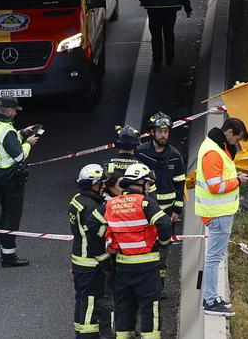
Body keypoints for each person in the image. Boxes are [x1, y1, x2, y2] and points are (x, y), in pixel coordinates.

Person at [87, 163, 172, 339]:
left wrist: (105, 250)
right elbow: (164, 224)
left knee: (124, 308)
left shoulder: (111, 204)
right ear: (140, 183)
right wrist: (162, 243)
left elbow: (91, 225)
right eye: (148, 184)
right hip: (147, 267)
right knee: (150, 309)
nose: (149, 188)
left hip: (123, 267)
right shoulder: (146, 202)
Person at [196, 118, 248, 316]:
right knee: (214, 258)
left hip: (218, 213)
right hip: (218, 214)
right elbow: (216, 186)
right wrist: (238, 181)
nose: (236, 143)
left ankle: (212, 298)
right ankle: (210, 301)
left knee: (214, 257)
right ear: (228, 132)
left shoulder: (215, 146)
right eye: (236, 139)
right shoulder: (213, 153)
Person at [0, 96, 39, 267]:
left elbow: (3, 145)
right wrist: (28, 143)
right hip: (12, 176)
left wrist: (21, 133)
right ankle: (9, 257)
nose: (15, 113)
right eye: (15, 110)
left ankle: (5, 252)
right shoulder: (6, 130)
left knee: (5, 213)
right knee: (12, 216)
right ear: (8, 110)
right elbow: (19, 156)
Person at [137, 111, 186, 299]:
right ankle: (143, 285)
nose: (164, 135)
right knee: (145, 247)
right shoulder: (141, 152)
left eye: (166, 131)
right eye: (160, 131)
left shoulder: (175, 156)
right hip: (145, 210)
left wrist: (177, 209)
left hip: (167, 212)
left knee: (163, 252)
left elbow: (180, 183)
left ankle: (160, 286)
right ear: (152, 133)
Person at [69, 164, 110, 339]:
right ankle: (87, 336)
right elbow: (95, 236)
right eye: (102, 183)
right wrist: (104, 259)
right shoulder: (92, 207)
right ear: (93, 184)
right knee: (91, 302)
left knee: (81, 300)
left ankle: (80, 333)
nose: (104, 186)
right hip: (91, 262)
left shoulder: (77, 200)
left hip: (79, 260)